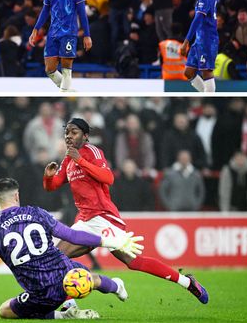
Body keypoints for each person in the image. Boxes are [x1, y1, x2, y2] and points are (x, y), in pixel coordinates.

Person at [42, 118, 209, 303]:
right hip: (85, 220)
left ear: (85, 135)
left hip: (104, 217)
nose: (68, 136)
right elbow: (53, 185)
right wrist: (48, 177)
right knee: (57, 257)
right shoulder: (68, 160)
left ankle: (187, 282)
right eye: (67, 133)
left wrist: (80, 160)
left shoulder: (92, 152)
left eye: (74, 132)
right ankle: (71, 302)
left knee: (135, 262)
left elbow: (108, 178)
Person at [0, 178, 141, 321]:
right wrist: (110, 241)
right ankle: (113, 285)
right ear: (17, 195)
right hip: (69, 274)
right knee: (83, 276)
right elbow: (72, 235)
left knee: (4, 310)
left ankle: (62, 315)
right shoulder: (37, 213)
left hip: (42, 295)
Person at [29, 0, 92, 92]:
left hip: (69, 32)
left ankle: (64, 93)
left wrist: (87, 35)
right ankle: (68, 91)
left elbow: (82, 12)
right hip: (53, 33)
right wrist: (36, 29)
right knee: (49, 70)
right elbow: (45, 10)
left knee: (66, 68)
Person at [180, 0, 219, 92]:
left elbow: (197, 20)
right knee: (188, 72)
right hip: (199, 40)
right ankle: (205, 93)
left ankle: (210, 98)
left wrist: (186, 41)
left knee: (206, 72)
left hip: (207, 40)